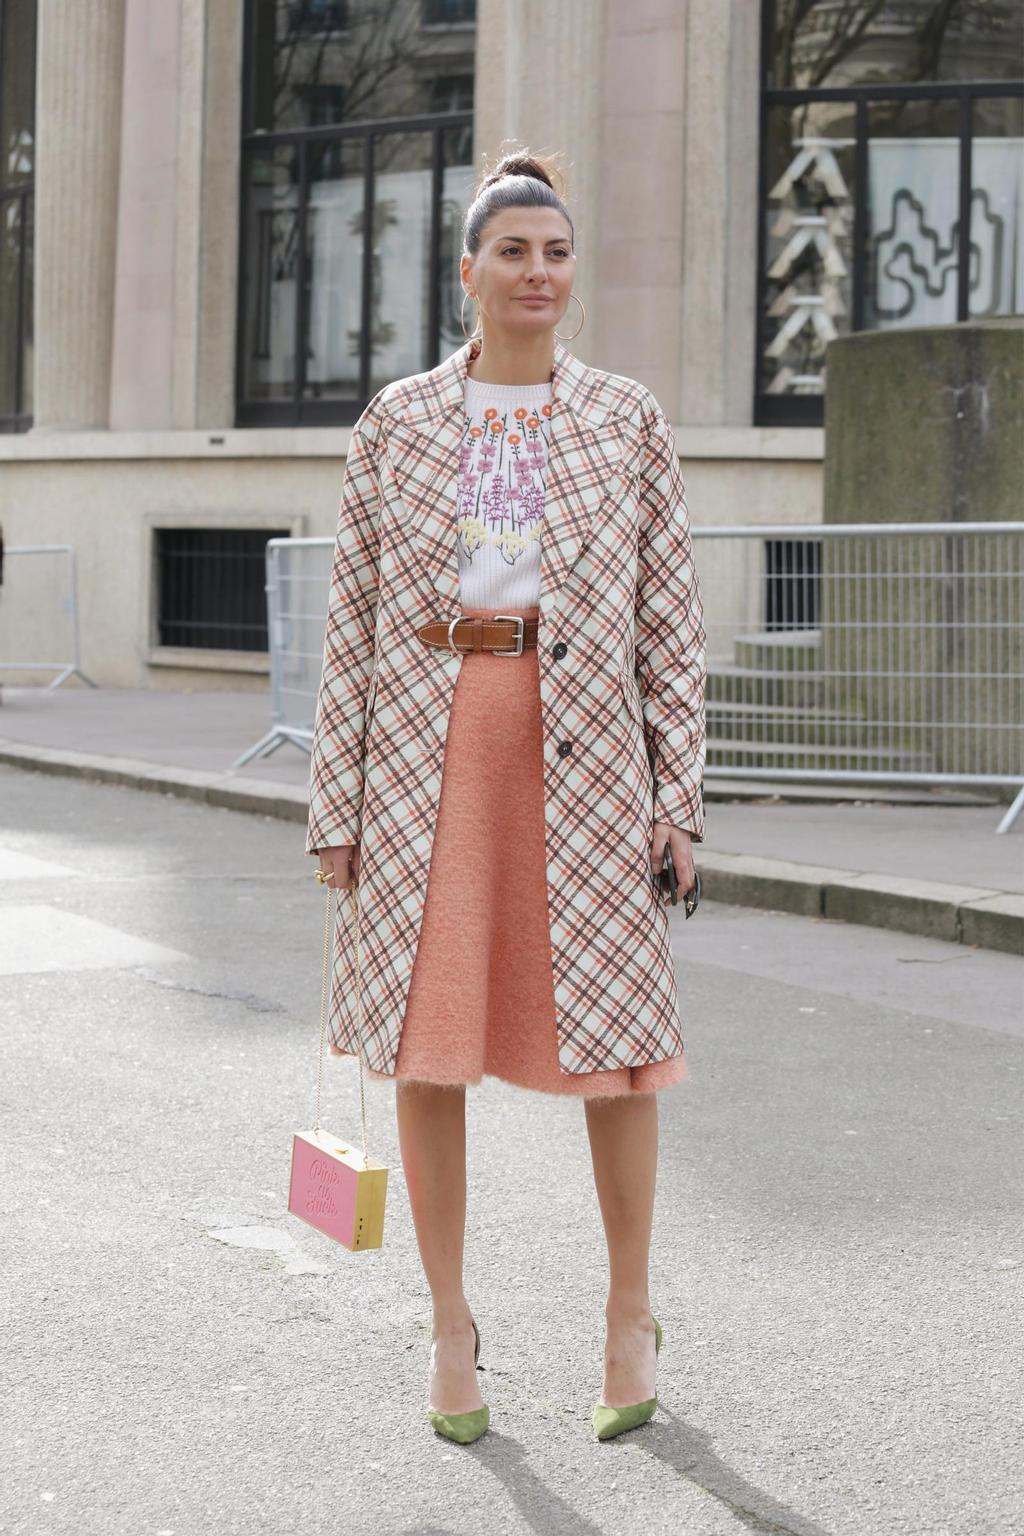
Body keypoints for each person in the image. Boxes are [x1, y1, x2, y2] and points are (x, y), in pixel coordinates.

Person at [306, 147, 707, 1446]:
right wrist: (339, 809)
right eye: (514, 250)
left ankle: (628, 1317)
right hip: (435, 740)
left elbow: (670, 620)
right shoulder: (403, 421)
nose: (538, 272)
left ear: (572, 274)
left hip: (587, 742)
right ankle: (448, 1326)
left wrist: (680, 796)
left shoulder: (625, 419)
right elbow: (357, 620)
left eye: (557, 252)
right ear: (469, 269)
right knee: (430, 1046)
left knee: (619, 1058)